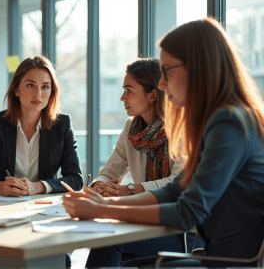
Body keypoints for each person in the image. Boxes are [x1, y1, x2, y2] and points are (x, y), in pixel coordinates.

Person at [63, 17, 264, 268]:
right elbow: (174, 190)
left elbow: (186, 211)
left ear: (197, 68)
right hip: (213, 256)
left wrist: (103, 211)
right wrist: (105, 203)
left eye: (167, 70)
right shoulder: (217, 120)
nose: (161, 83)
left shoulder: (229, 122)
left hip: (225, 263)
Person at [85, 58, 204, 268]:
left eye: (129, 90)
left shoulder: (183, 128)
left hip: (180, 232)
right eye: (123, 89)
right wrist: (100, 186)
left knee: (109, 242)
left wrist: (127, 191)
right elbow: (111, 170)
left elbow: (176, 184)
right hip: (143, 220)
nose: (122, 97)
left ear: (152, 95)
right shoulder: (131, 127)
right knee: (106, 238)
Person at [0, 55, 83, 196]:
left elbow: (76, 179)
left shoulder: (62, 125)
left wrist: (37, 187)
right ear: (16, 90)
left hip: (43, 207)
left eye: (45, 87)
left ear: (51, 92)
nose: (38, 94)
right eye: (30, 85)